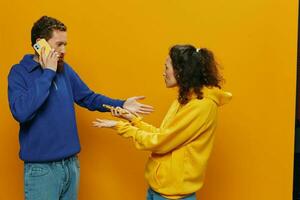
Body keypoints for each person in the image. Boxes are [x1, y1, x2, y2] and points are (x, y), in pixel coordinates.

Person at [7, 16, 153, 200]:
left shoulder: (64, 69)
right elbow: (21, 112)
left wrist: (121, 104)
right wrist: (48, 73)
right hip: (42, 171)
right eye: (59, 44)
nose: (64, 50)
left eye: (65, 44)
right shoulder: (19, 73)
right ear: (40, 43)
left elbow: (88, 97)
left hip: (71, 166)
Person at [93, 44, 232, 200]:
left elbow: (160, 142)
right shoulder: (185, 100)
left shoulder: (201, 106)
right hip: (159, 191)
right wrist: (133, 120)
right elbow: (165, 135)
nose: (163, 73)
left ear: (181, 71)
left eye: (166, 67)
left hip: (173, 196)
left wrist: (121, 127)